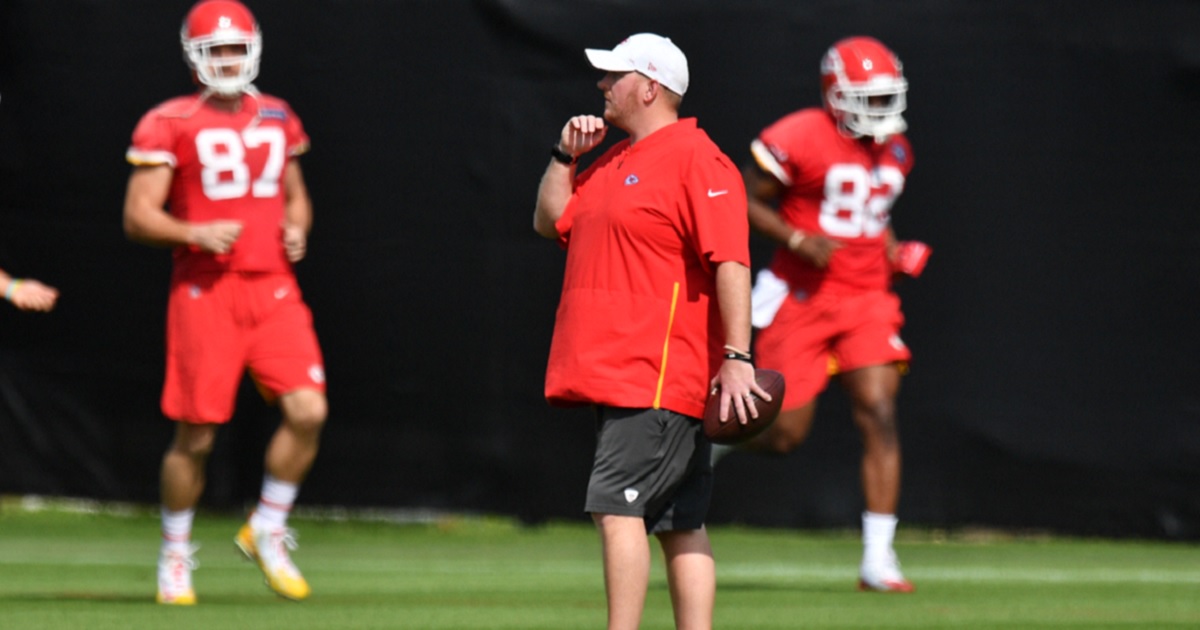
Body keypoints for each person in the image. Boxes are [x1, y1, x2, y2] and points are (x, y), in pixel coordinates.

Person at [533, 33, 768, 630]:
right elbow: (548, 222)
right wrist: (565, 156)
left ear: (650, 87)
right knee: (678, 522)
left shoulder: (697, 159)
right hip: (620, 372)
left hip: (658, 373)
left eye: (615, 76)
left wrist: (737, 354)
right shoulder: (612, 160)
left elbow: (732, 261)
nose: (602, 86)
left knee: (617, 509)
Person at [123, 0, 327, 605]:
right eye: (217, 50)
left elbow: (295, 195)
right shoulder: (168, 120)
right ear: (195, 57)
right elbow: (137, 216)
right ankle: (175, 552)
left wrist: (298, 230)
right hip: (205, 291)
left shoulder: (277, 114)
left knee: (309, 411)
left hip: (272, 287)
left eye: (237, 48)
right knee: (198, 435)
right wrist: (192, 233)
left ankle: (266, 525)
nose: (229, 60)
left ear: (254, 49)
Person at [714, 36, 928, 593]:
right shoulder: (801, 134)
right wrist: (795, 235)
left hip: (867, 297)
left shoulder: (896, 147)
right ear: (836, 95)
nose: (882, 111)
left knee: (879, 412)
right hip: (803, 297)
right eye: (869, 98)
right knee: (785, 432)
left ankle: (878, 560)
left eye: (887, 97)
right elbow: (740, 194)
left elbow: (871, 214)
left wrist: (890, 248)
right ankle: (713, 442)